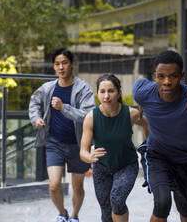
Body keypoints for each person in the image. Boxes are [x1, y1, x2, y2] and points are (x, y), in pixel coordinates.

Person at [132, 50, 187, 222]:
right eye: (161, 76)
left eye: (172, 76)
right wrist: (141, 105)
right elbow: (139, 84)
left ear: (182, 76)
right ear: (154, 76)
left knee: (185, 207)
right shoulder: (143, 92)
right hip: (157, 156)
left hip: (186, 160)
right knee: (162, 203)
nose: (166, 82)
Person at [29, 48, 95, 222]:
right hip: (54, 143)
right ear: (54, 66)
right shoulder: (48, 88)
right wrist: (36, 118)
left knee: (77, 186)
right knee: (54, 185)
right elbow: (34, 102)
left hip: (78, 145)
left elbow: (87, 115)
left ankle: (74, 216)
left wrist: (63, 107)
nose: (61, 67)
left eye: (64, 63)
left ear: (71, 64)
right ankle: (62, 214)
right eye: (57, 64)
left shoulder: (83, 88)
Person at [80, 74, 149, 222]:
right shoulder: (91, 117)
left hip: (126, 165)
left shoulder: (130, 113)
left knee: (117, 200)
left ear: (118, 92)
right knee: (106, 211)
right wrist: (89, 157)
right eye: (102, 91)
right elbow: (83, 152)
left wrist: (149, 144)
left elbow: (146, 124)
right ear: (97, 93)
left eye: (111, 91)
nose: (106, 96)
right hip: (101, 168)